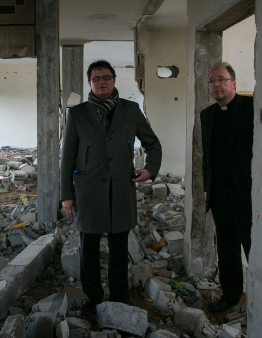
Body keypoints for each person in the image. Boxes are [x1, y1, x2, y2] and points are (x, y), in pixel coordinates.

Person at [60, 60, 162, 311]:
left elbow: (152, 143)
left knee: (119, 248)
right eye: (96, 78)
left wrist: (150, 169)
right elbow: (67, 157)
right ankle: (92, 297)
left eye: (106, 77)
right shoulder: (78, 114)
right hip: (88, 191)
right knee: (89, 248)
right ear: (89, 83)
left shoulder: (130, 110)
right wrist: (67, 195)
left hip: (120, 190)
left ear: (114, 80)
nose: (101, 82)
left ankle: (119, 297)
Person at [200, 62, 254, 313]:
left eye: (221, 79)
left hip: (248, 194)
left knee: (253, 246)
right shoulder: (207, 115)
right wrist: (206, 187)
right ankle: (231, 295)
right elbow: (207, 156)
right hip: (220, 195)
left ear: (234, 83)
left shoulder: (251, 108)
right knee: (227, 247)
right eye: (212, 81)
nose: (216, 85)